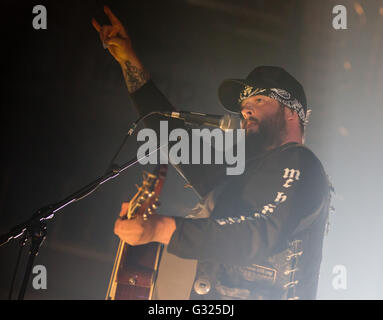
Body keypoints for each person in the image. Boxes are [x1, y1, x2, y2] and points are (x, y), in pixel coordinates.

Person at [92, 6, 332, 300]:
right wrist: (129, 62)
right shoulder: (236, 172)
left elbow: (262, 231)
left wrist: (163, 228)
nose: (246, 109)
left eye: (259, 98)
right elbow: (172, 136)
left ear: (292, 112)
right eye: (244, 104)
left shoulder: (302, 165)